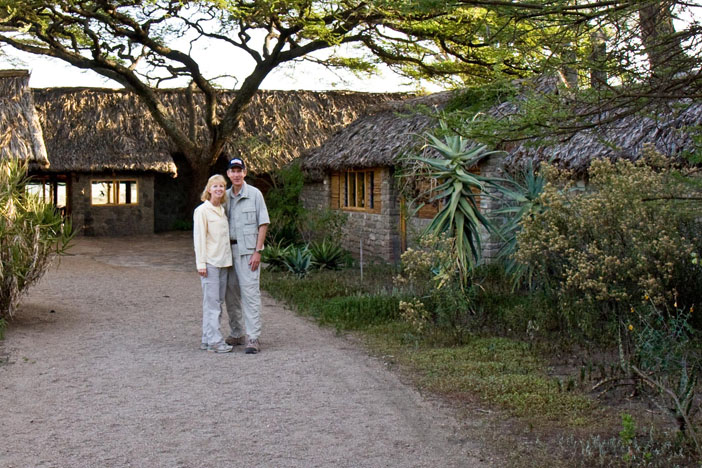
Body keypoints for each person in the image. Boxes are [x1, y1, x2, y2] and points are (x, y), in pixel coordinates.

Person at [223, 157, 270, 354]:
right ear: (228, 174)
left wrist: (257, 251)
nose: (236, 174)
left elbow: (263, 223)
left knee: (250, 294)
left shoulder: (255, 195)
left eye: (239, 170)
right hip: (227, 253)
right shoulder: (223, 197)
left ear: (245, 172)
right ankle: (237, 333)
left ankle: (253, 337)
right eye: (232, 171)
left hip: (248, 252)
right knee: (230, 294)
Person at [193, 174, 234, 354]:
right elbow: (199, 239)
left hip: (223, 262)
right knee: (213, 304)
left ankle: (207, 339)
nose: (219, 189)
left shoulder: (221, 210)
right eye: (215, 186)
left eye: (222, 186)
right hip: (210, 263)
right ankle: (216, 341)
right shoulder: (202, 211)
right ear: (208, 189)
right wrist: (201, 263)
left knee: (215, 302)